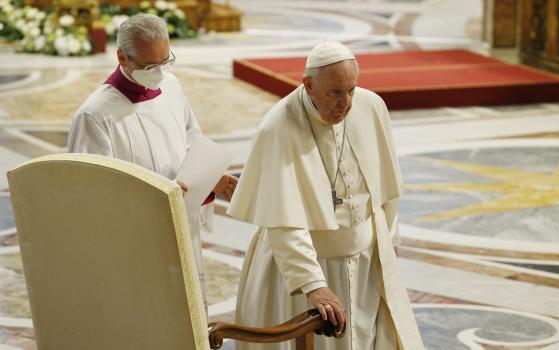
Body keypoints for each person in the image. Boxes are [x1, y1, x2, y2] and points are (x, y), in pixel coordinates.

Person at [227, 41, 424, 349]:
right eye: (334, 92)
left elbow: (386, 190)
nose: (345, 103)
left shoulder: (371, 107)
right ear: (308, 85)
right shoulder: (278, 128)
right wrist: (313, 284)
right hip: (305, 267)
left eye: (351, 90)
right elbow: (283, 223)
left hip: (365, 261)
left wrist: (389, 239)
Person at [67, 13, 237, 309]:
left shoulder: (172, 87)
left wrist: (211, 177)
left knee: (186, 309)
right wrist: (159, 196)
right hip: (135, 241)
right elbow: (90, 197)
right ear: (122, 56)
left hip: (182, 225)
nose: (159, 72)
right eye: (149, 65)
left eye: (165, 60)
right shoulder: (95, 115)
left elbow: (191, 141)